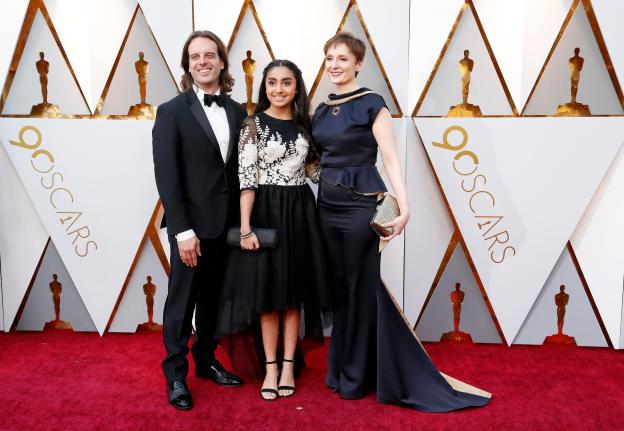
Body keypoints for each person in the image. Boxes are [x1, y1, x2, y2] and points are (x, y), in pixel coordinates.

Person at [312, 32, 491, 411]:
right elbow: (317, 158)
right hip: (325, 207)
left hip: (361, 207)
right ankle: (340, 369)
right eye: (329, 58)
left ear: (358, 63)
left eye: (342, 58)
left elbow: (391, 160)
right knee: (338, 289)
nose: (334, 65)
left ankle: (358, 376)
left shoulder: (372, 104)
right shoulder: (321, 109)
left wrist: (405, 207)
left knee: (360, 287)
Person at [216, 59, 331, 401]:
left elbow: (316, 174)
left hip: (299, 215)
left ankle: (288, 366)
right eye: (272, 82)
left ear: (297, 88)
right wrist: (247, 228)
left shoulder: (305, 127)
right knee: (267, 297)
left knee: (293, 296)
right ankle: (270, 368)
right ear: (264, 86)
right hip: (264, 214)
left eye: (286, 82)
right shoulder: (252, 125)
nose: (278, 89)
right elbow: (246, 180)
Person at [152, 30, 247, 410]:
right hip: (190, 229)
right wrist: (182, 231)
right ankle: (176, 375)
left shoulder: (238, 112)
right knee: (181, 304)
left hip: (227, 228)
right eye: (195, 56)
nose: (202, 61)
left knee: (214, 302)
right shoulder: (171, 111)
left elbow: (239, 172)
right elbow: (167, 176)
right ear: (187, 64)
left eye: (210, 54)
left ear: (222, 62)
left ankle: (206, 360)